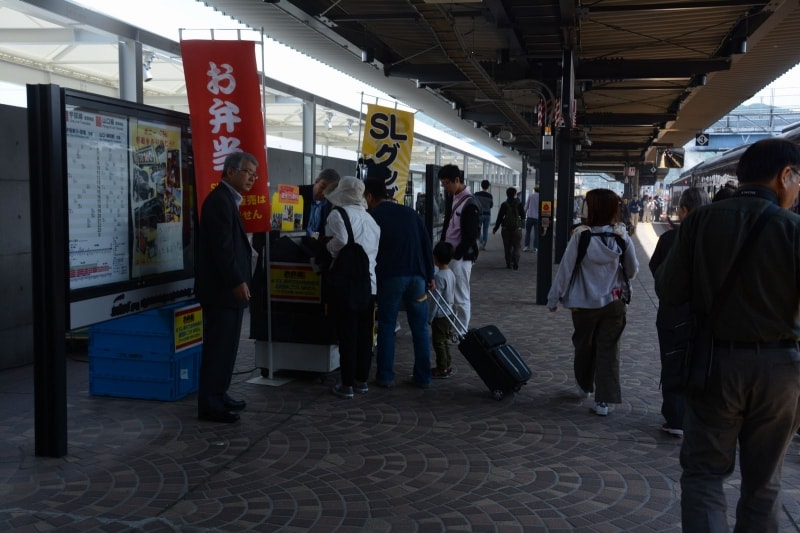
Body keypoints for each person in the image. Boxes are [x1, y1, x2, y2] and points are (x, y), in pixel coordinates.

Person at [655, 138, 800, 532]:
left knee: (704, 474)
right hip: (781, 370)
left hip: (714, 362)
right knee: (764, 484)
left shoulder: (701, 221)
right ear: (785, 175)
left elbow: (669, 292)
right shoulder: (793, 229)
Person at [546, 188, 639, 417]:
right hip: (614, 302)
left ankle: (584, 384)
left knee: (583, 346)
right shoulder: (621, 235)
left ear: (594, 208)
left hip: (583, 303)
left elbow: (566, 270)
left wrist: (554, 297)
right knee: (609, 350)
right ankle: (603, 402)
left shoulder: (581, 236)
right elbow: (633, 269)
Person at [195, 151, 259, 423]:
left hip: (228, 292)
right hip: (221, 291)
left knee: (228, 347)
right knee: (218, 348)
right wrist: (237, 280)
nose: (251, 179)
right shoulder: (219, 201)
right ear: (230, 171)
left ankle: (220, 394)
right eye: (247, 173)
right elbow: (222, 250)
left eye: (254, 175)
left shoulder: (229, 200)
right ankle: (210, 403)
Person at [648, 187, 710, 438]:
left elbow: (656, 270)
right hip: (705, 316)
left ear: (684, 210)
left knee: (673, 361)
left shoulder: (670, 239)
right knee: (701, 362)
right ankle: (697, 415)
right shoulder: (717, 238)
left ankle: (675, 416)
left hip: (673, 315)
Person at [364, 177, 435, 389]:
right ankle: (423, 377)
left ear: (369, 196)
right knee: (420, 328)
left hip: (391, 278)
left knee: (386, 326)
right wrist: (429, 275)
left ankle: (385, 376)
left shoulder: (373, 216)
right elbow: (426, 244)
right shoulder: (411, 213)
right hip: (417, 279)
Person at [323, 177, 380, 399]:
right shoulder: (371, 220)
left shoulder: (338, 214)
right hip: (370, 284)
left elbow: (342, 241)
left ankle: (346, 385)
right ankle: (361, 381)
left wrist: (327, 246)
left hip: (347, 284)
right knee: (365, 336)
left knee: (347, 334)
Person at [438, 164, 481, 329]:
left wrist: (456, 255)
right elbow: (448, 225)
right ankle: (452, 328)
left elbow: (470, 236)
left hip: (461, 258)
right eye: (443, 184)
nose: (445, 187)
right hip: (449, 255)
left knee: (461, 295)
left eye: (447, 183)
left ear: (457, 180)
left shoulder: (470, 203)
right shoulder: (452, 198)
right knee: (449, 294)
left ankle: (461, 330)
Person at [429, 241, 456, 379]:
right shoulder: (450, 273)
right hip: (450, 312)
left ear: (436, 258)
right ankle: (447, 365)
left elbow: (435, 301)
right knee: (445, 340)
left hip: (440, 315)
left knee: (438, 341)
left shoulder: (439, 277)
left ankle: (442, 368)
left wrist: (430, 317)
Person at [300, 168, 340, 237]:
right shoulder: (298, 193)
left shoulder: (329, 203)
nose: (324, 193)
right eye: (322, 187)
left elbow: (320, 229)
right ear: (316, 181)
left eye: (329, 191)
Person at [492, 187, 525, 270]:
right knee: (517, 246)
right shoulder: (519, 204)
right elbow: (523, 216)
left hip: (506, 229)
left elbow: (499, 217)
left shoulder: (504, 204)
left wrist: (495, 228)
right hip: (517, 229)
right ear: (515, 194)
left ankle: (508, 264)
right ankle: (515, 261)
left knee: (507, 247)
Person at [474, 179, 493, 251]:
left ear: (481, 186)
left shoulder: (477, 194)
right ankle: (483, 244)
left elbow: (474, 203)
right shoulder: (490, 196)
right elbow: (491, 205)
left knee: (477, 229)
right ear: (488, 187)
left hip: (479, 215)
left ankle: (481, 241)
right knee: (485, 230)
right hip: (487, 215)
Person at [523, 186, 540, 252]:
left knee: (528, 232)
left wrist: (523, 214)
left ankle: (526, 246)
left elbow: (526, 206)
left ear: (534, 189)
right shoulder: (541, 196)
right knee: (536, 233)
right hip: (537, 218)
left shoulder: (530, 196)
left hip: (530, 216)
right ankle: (536, 248)